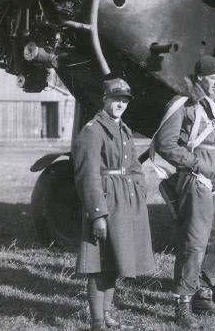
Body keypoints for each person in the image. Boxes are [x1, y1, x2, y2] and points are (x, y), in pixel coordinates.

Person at [152, 55, 215, 329]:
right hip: (198, 178)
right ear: (200, 76)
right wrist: (196, 163)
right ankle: (183, 301)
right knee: (195, 242)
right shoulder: (182, 103)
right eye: (213, 78)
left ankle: (204, 293)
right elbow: (165, 144)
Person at [73, 77, 155, 331]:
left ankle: (107, 313)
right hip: (106, 201)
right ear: (104, 99)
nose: (120, 104)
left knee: (114, 260)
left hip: (126, 203)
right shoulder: (92, 130)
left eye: (124, 100)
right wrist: (97, 214)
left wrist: (139, 189)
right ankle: (97, 320)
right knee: (98, 263)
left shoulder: (124, 130)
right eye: (115, 98)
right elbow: (88, 176)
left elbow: (133, 167)